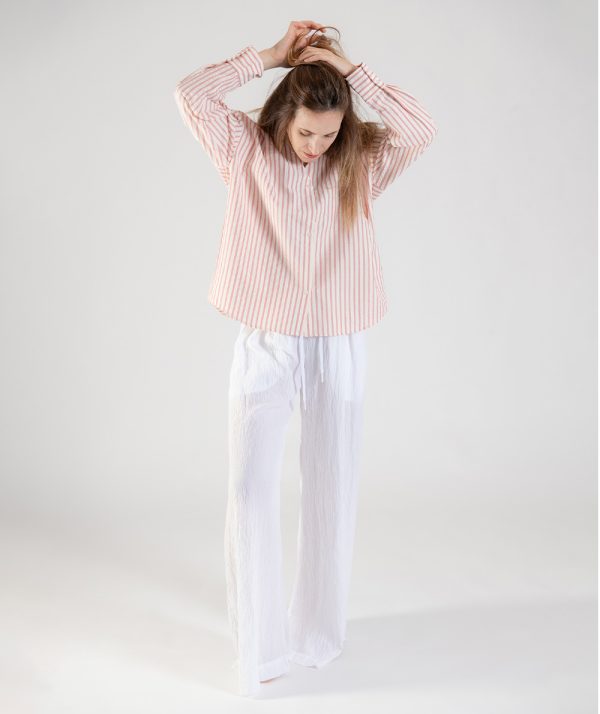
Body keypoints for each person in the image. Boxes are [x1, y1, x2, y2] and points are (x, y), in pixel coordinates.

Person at [173, 20, 437, 697]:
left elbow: (419, 130)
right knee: (248, 486)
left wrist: (350, 70)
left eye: (329, 133)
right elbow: (191, 93)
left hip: (339, 338)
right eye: (306, 133)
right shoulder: (244, 150)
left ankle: (317, 635)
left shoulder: (359, 160)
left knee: (331, 484)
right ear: (284, 114)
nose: (317, 146)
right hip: (266, 336)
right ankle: (258, 649)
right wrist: (270, 55)